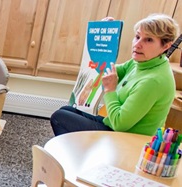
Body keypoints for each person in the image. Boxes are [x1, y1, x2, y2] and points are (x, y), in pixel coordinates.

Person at [50, 14, 179, 136]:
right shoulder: (142, 62)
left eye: (149, 40)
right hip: (115, 126)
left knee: (60, 118)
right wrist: (103, 37)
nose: (137, 44)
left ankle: (80, 157)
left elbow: (119, 124)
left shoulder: (153, 81)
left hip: (127, 139)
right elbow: (105, 72)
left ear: (166, 46)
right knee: (66, 111)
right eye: (138, 36)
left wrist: (110, 91)